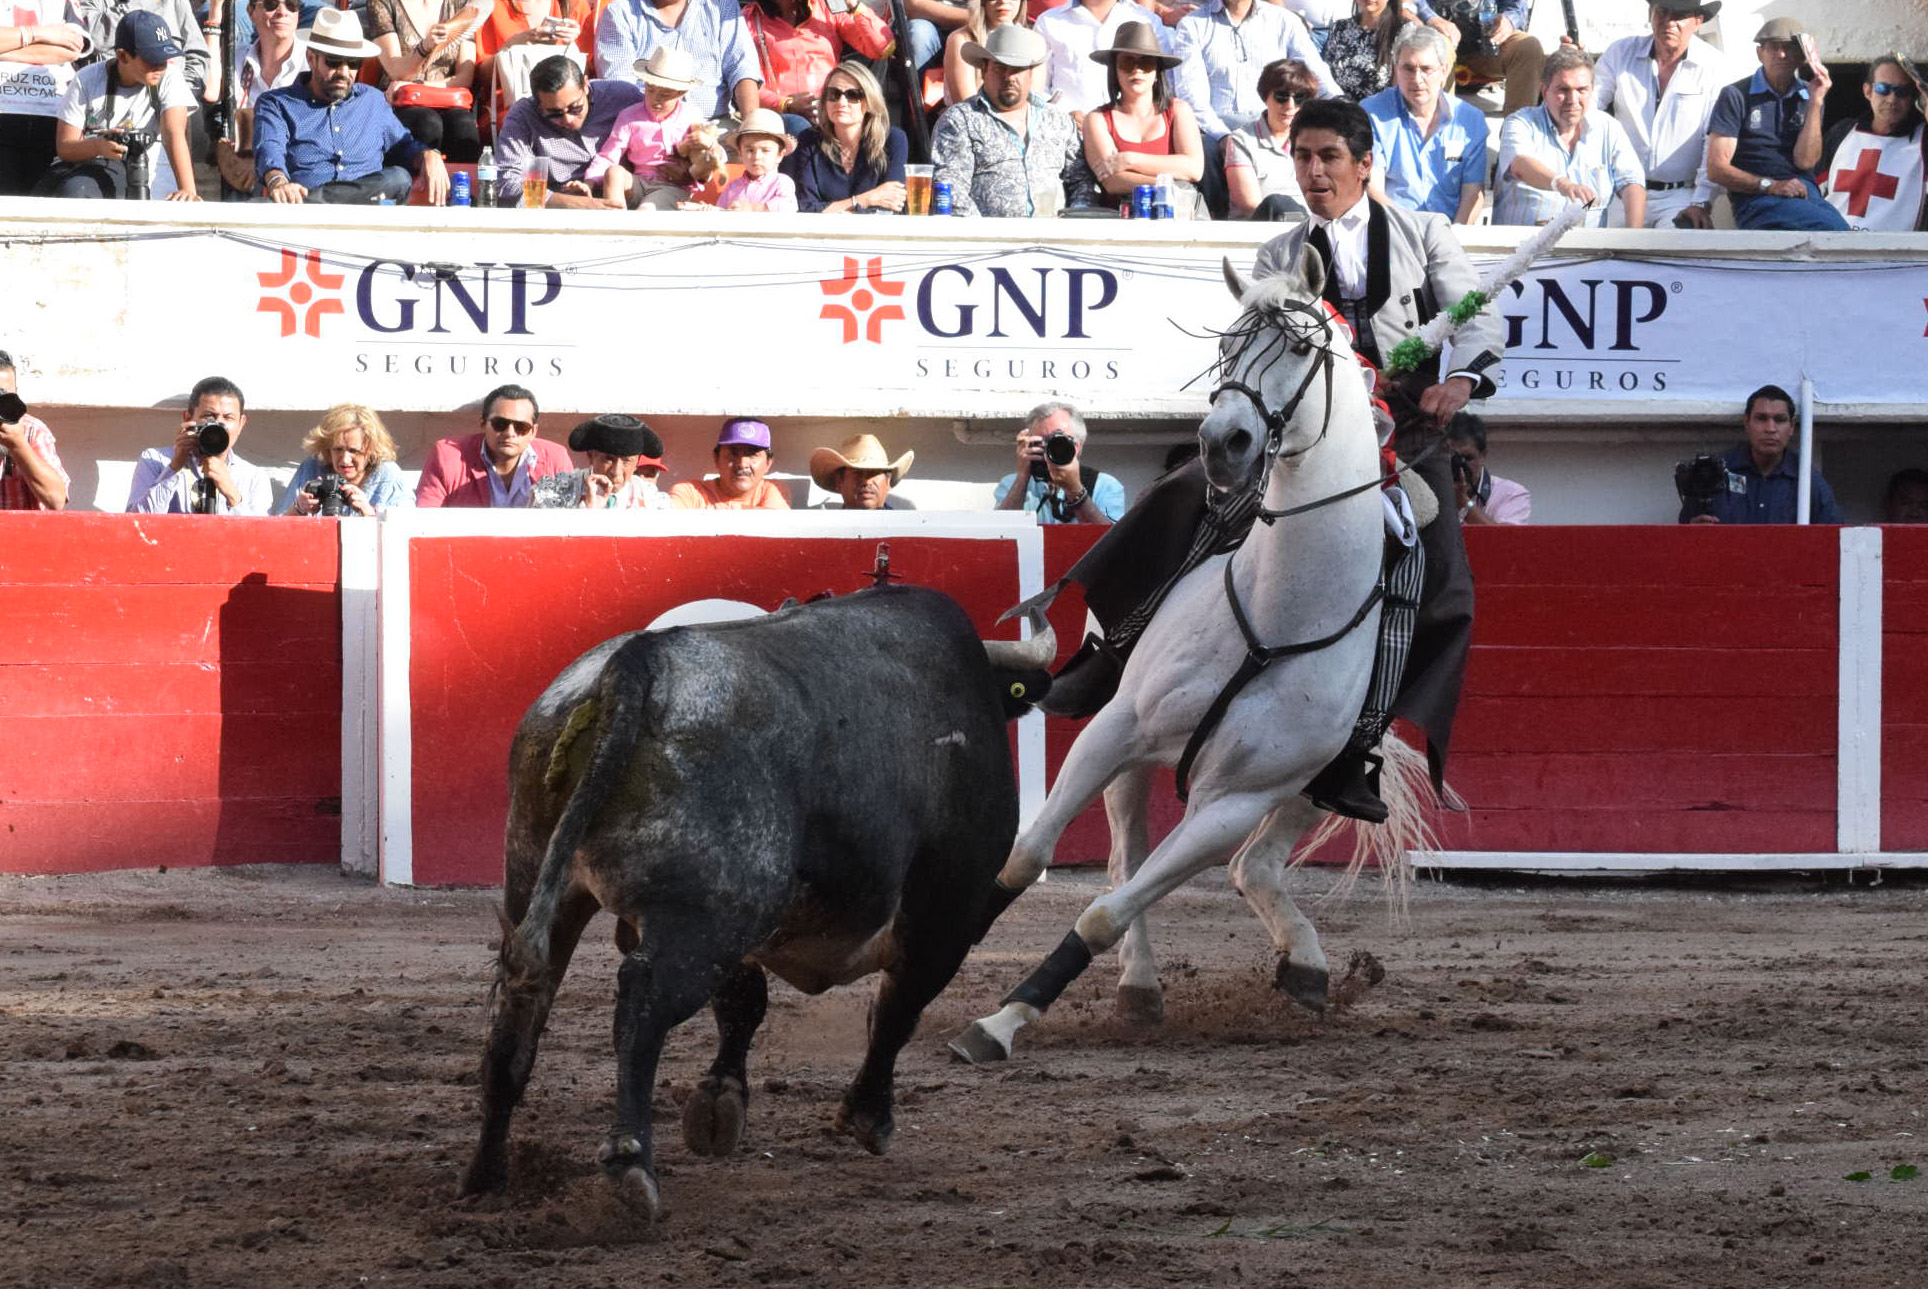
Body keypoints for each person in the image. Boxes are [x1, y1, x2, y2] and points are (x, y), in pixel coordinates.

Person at [1043, 97, 1500, 822]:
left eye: (1329, 158)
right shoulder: (1278, 255)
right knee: (1180, 496)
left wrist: (1461, 379)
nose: (1314, 172)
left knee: (1445, 586)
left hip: (1407, 430)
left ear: (1364, 164)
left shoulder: (1426, 233)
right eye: (1303, 157)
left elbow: (1476, 313)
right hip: (1304, 438)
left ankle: (1360, 742)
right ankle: (1112, 655)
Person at [253, 8, 451, 204]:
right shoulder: (277, 103)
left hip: (352, 208)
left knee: (398, 178)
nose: (344, 72)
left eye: (353, 63)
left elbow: (403, 145)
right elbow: (269, 150)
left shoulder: (373, 100)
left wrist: (427, 155)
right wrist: (278, 182)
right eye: (333, 62)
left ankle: (315, 201)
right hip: (304, 213)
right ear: (311, 59)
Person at [1593, 0, 1731, 230]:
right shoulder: (1620, 52)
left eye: (1679, 16)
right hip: (1618, 190)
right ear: (1651, 13)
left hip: (1679, 195)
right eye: (1663, 12)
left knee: (1679, 245)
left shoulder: (1715, 67)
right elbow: (1589, 107)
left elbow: (1714, 140)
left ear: (1698, 21)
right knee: (1590, 236)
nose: (1669, 22)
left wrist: (1701, 202)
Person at [1705, 16, 1849, 233]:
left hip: (1804, 193)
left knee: (1843, 231)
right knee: (1834, 229)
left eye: (1789, 48)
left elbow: (1805, 161)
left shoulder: (1810, 94)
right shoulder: (1736, 95)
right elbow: (1716, 169)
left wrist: (1815, 101)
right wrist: (1770, 186)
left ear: (1802, 56)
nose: (1781, 54)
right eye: (1774, 47)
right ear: (1760, 53)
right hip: (1757, 198)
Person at [38, 12, 199, 200]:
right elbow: (65, 147)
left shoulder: (170, 76)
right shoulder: (87, 79)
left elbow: (174, 134)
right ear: (123, 55)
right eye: (151, 59)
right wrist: (99, 146)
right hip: (87, 171)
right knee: (77, 190)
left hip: (145, 174)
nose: (159, 67)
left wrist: (188, 190)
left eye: (164, 58)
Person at [931, 24, 1085, 217]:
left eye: (1017, 69)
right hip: (985, 234)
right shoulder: (960, 120)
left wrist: (1075, 220)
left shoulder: (1058, 120)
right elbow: (950, 189)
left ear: (1030, 73)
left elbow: (1082, 180)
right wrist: (986, 232)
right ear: (984, 70)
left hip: (1055, 233)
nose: (1009, 77)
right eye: (1000, 68)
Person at [1493, 45, 1644, 228]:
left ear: (1592, 90)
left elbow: (1632, 182)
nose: (1573, 100)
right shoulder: (1521, 122)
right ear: (1545, 91)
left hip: (1589, 244)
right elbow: (1520, 164)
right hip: (1525, 242)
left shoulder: (1608, 127)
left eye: (1581, 90)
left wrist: (1635, 234)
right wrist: (1563, 185)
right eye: (1563, 90)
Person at [1362, 22, 1486, 223]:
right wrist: (1411, 231)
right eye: (1408, 68)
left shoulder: (1470, 120)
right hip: (1394, 227)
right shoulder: (1372, 113)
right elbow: (1372, 189)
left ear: (1444, 71)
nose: (1417, 79)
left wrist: (1453, 235)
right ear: (1396, 69)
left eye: (1426, 69)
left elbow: (1473, 192)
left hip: (1450, 230)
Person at [1167, 0, 1336, 147]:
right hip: (1216, 127)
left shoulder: (1285, 21)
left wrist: (1341, 105)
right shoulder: (1192, 25)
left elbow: (1317, 73)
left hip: (1275, 123)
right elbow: (1191, 96)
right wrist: (1223, 137)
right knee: (1203, 148)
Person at [494, 53, 645, 207]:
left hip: (627, 198)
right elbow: (506, 183)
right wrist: (573, 203)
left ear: (585, 86)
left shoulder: (623, 97)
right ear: (537, 105)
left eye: (575, 108)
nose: (568, 119)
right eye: (554, 113)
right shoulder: (523, 115)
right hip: (559, 210)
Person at [1680, 384, 1844, 525]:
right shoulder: (1712, 472)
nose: (1770, 429)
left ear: (1792, 427)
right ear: (1746, 422)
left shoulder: (1807, 481)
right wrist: (1693, 533)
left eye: (1779, 420)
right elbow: (1683, 535)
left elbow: (1833, 539)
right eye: (1761, 418)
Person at [1081, 20, 1202, 211]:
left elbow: (1193, 168)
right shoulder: (1097, 119)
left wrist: (1129, 159)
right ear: (1114, 70)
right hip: (1117, 217)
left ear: (1157, 72)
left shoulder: (1178, 110)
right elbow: (1112, 181)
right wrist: (1169, 185)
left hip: (1174, 216)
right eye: (1127, 62)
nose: (1137, 70)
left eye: (1146, 63)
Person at [594, 0, 762, 121]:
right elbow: (621, 87)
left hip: (715, 124)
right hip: (648, 126)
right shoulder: (620, 12)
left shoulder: (721, 5)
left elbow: (742, 67)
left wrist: (753, 127)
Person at [585, 46, 710, 209]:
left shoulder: (692, 116)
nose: (655, 99)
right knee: (614, 172)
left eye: (665, 94)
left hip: (672, 187)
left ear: (681, 93)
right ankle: (615, 218)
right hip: (638, 182)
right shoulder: (629, 116)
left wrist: (708, 145)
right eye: (650, 90)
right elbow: (609, 155)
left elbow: (713, 157)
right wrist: (589, 182)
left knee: (646, 210)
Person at [127, 376, 274, 514]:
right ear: (188, 418)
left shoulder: (253, 477)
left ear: (241, 424)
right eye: (209, 416)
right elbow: (136, 521)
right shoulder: (155, 460)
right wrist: (175, 467)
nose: (219, 425)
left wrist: (232, 494)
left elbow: (260, 531)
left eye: (228, 417)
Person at [743, 0, 891, 134]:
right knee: (798, 126)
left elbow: (882, 48)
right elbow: (747, 84)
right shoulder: (750, 19)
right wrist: (786, 104)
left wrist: (853, 4)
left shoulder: (827, 8)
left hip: (832, 111)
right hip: (782, 121)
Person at [206, 0, 307, 196]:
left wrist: (266, 165)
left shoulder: (311, 59)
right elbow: (209, 91)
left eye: (291, 5)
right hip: (244, 175)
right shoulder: (236, 57)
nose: (282, 12)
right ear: (251, 11)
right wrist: (215, 14)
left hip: (297, 172)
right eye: (271, 4)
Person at [415, 384, 574, 508]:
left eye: (521, 427)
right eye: (500, 424)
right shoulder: (447, 457)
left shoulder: (556, 459)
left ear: (533, 431)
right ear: (483, 423)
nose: (510, 433)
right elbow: (426, 521)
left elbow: (569, 522)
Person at [365, 0, 485, 161]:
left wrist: (419, 86)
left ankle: (464, 178)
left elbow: (465, 77)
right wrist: (424, 47)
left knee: (463, 124)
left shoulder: (460, 4)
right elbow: (396, 71)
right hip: (399, 101)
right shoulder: (382, 3)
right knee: (428, 123)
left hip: (445, 99)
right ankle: (418, 175)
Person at [1819, 57, 1928, 232]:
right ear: (1868, 91)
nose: (1892, 99)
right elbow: (1812, 187)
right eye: (1883, 89)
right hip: (1835, 241)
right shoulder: (1843, 132)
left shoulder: (1922, 140)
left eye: (1902, 92)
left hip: (1897, 247)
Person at [781, 60, 906, 212]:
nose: (841, 102)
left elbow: (890, 204)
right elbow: (805, 208)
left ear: (870, 101)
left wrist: (831, 209)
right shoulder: (808, 140)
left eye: (853, 95)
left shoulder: (893, 139)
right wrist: (865, 199)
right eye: (833, 94)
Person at [0, 0, 90, 197]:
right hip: (4, 111)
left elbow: (71, 50)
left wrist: (7, 46)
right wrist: (40, 34)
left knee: (39, 205)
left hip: (50, 115)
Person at [993, 401, 1125, 524]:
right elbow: (1000, 532)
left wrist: (1075, 490)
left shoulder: (1104, 486)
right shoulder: (1011, 485)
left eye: (1058, 441)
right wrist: (1022, 477)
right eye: (1041, 442)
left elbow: (1112, 537)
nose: (1049, 449)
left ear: (1078, 446)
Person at [472, 0, 593, 133]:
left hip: (568, 108)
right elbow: (483, 77)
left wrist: (572, 45)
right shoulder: (492, 5)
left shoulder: (575, 4)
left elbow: (589, 74)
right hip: (511, 105)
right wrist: (511, 46)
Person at [1408, 0, 1542, 116]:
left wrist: (1509, 20)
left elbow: (1516, 6)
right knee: (1441, 47)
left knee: (1528, 48)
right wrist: (1432, 19)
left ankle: (1516, 131)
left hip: (1487, 45)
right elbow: (1408, 4)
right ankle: (1440, 128)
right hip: (1437, 40)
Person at [1033, 0, 1164, 117]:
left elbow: (1164, 83)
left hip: (1131, 129)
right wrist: (1064, 117)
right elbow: (1037, 91)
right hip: (1066, 130)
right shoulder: (1049, 21)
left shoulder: (1146, 20)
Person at [278, 403, 411, 516]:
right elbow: (277, 527)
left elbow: (407, 529)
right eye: (338, 449)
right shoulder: (311, 469)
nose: (345, 460)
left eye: (354, 451)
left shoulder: (388, 476)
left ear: (371, 450)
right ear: (327, 448)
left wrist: (370, 513)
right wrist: (298, 508)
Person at [1223, 56, 1315, 219]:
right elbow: (1249, 204)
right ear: (1266, 97)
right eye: (1282, 96)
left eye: (1299, 98)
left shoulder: (1316, 139)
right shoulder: (1241, 140)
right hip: (1262, 227)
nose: (1290, 105)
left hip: (1309, 226)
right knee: (1276, 204)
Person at [532, 414, 675, 508]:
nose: (616, 472)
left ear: (637, 463)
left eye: (626, 461)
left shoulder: (652, 499)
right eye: (608, 459)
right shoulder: (558, 491)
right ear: (591, 456)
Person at [670, 418, 792, 509]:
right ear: (716, 459)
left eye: (752, 455)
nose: (742, 464)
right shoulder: (689, 492)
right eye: (733, 454)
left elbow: (776, 522)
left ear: (768, 464)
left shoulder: (771, 490)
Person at [0, 351, 69, 511]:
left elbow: (56, 501)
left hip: (21, 527)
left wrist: (18, 445)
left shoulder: (32, 430)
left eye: (5, 395)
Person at [1445, 412, 1527, 524]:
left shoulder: (1511, 493)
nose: (1460, 466)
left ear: (1483, 455)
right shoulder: (1426, 491)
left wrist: (1463, 502)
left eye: (1468, 458)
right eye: (1452, 458)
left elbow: (1503, 535)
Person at [943, 0, 1026, 107]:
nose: (1003, 1)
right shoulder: (961, 40)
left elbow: (1034, 104)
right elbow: (967, 106)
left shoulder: (1033, 41)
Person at [1320, 0, 1406, 102]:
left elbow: (1401, 86)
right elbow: (1326, 75)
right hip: (1340, 106)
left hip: (1381, 108)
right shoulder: (1340, 28)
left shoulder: (1403, 31)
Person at [716, 106, 797, 208]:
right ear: (740, 153)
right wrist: (709, 210)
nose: (757, 157)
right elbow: (721, 210)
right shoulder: (732, 187)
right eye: (750, 150)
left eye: (765, 150)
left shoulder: (782, 183)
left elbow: (788, 206)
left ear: (779, 155)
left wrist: (753, 208)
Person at [809, 432, 914, 509]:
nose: (866, 481)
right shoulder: (826, 527)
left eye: (874, 473)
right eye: (857, 473)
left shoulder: (908, 527)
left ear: (888, 482)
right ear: (839, 482)